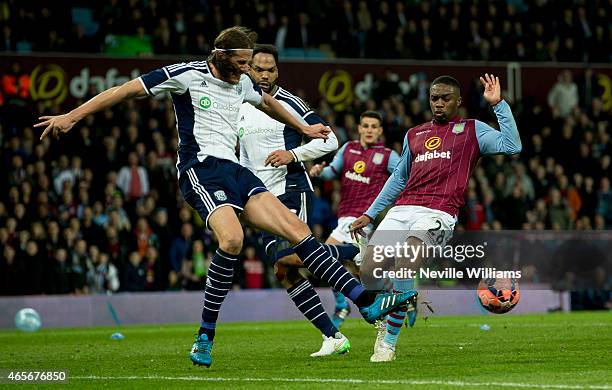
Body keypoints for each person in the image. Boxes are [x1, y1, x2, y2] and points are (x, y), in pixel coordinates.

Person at [35, 26, 417, 368]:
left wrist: (303, 127)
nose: (248, 70)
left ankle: (365, 303)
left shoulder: (244, 82)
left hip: (235, 171)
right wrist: (72, 116)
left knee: (298, 229)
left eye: (251, 63)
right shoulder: (186, 75)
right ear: (221, 57)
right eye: (242, 63)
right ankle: (205, 336)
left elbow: (268, 102)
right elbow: (124, 90)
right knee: (232, 239)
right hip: (200, 168)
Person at [351, 74, 522, 362]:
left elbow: (512, 145)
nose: (439, 103)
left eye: (445, 98)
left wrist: (498, 104)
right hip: (403, 209)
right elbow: (399, 178)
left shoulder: (472, 130)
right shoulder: (414, 134)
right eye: (434, 98)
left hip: (440, 212)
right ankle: (402, 301)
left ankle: (387, 343)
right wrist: (370, 213)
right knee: (368, 271)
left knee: (406, 262)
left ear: (458, 101)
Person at [239, 44, 360, 356]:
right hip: (256, 198)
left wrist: (292, 153)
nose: (264, 75)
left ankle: (350, 250)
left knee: (289, 259)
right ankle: (333, 336)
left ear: (278, 72)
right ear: (247, 69)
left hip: (290, 188)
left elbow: (331, 139)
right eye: (258, 68)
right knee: (284, 271)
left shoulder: (289, 103)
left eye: (270, 69)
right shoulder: (238, 103)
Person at [309, 110, 400, 328]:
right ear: (359, 128)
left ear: (379, 131)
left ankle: (348, 303)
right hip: (344, 220)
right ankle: (394, 296)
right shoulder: (348, 148)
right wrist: (320, 171)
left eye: (373, 127)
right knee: (353, 268)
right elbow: (332, 171)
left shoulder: (387, 156)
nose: (369, 130)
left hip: (363, 221)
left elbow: (403, 177)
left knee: (325, 258)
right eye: (365, 126)